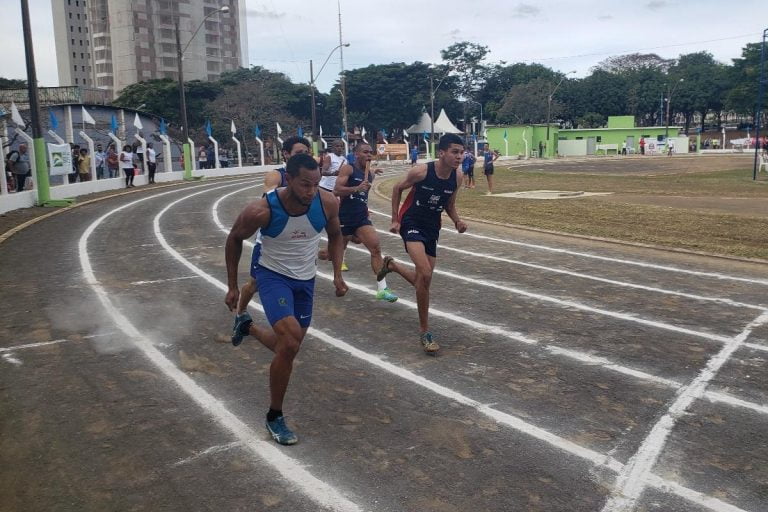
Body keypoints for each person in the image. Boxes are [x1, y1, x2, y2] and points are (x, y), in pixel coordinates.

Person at [225, 152, 348, 445]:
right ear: (289, 179)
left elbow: (336, 235)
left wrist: (337, 274)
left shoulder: (326, 202)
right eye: (305, 184)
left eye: (316, 184)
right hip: (273, 277)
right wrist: (231, 285)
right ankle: (274, 416)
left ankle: (248, 328)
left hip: (305, 281)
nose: (311, 191)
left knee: (288, 348)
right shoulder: (262, 210)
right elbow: (234, 239)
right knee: (291, 338)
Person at [377, 133, 468, 353]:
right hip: (411, 222)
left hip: (432, 227)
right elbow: (397, 188)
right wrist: (395, 219)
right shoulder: (422, 171)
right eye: (454, 152)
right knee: (425, 274)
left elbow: (450, 204)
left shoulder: (457, 177)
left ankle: (393, 266)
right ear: (442, 152)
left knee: (423, 282)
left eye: (461, 152)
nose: (459, 156)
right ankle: (425, 332)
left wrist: (457, 220)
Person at [230, 136, 312, 340]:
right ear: (286, 154)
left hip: (296, 245)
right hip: (271, 244)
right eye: (298, 153)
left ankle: (288, 323)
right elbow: (269, 191)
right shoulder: (277, 175)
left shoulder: (309, 179)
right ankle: (240, 315)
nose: (303, 157)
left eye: (306, 153)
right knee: (255, 284)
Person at [334, 142, 398, 302]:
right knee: (332, 254)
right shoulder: (348, 169)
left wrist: (365, 207)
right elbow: (336, 190)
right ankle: (335, 277)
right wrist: (356, 188)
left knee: (376, 248)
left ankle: (382, 289)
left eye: (371, 152)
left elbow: (363, 196)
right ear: (356, 154)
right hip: (343, 217)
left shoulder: (370, 174)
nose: (369, 155)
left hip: (361, 218)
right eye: (365, 152)